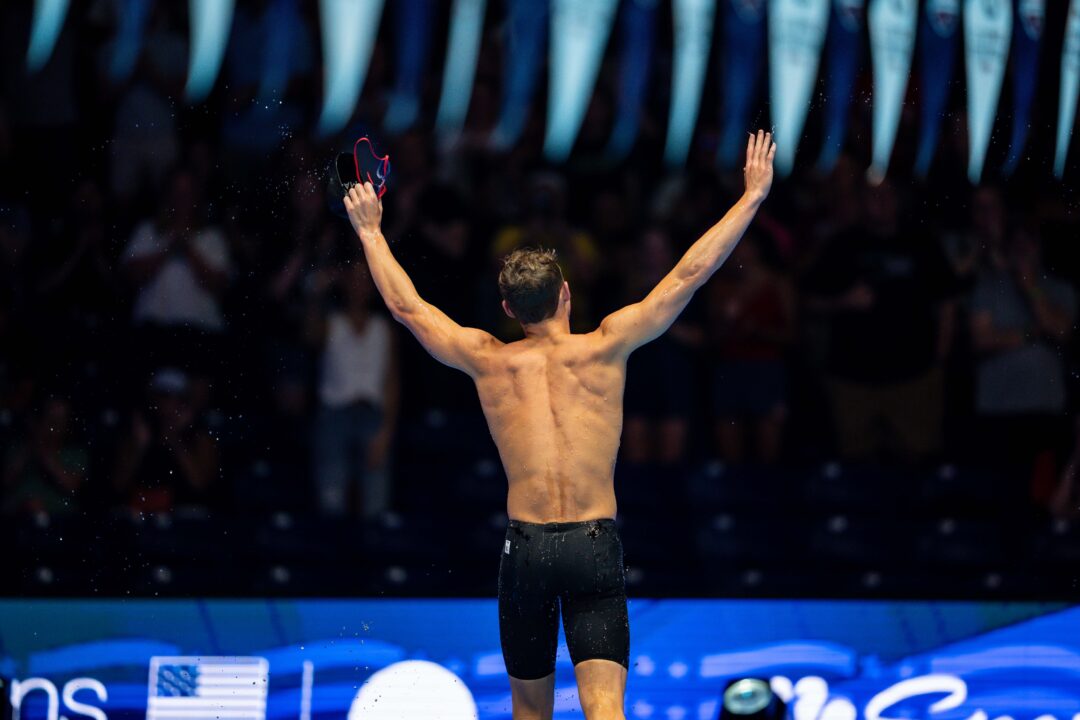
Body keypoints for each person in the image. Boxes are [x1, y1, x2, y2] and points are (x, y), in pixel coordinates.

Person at [341, 131, 776, 720]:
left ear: (508, 310)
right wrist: (750, 197)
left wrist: (370, 230)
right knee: (604, 712)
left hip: (526, 551)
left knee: (530, 715)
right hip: (593, 545)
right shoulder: (607, 346)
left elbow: (407, 308)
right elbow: (687, 275)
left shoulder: (489, 359)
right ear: (567, 294)